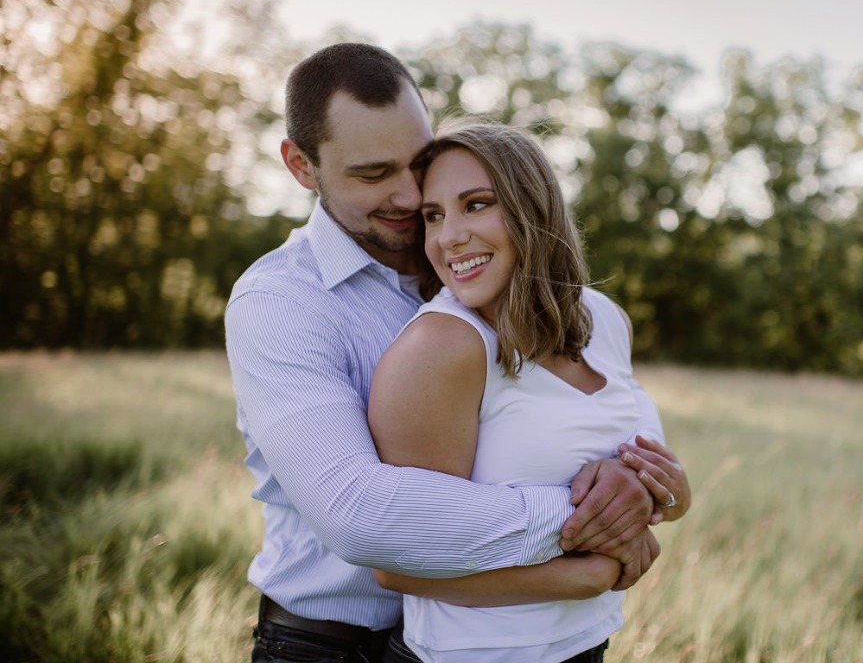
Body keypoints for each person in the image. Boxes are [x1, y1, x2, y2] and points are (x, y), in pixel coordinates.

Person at [225, 43, 679, 663]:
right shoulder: (279, 303)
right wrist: (590, 521)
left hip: (497, 625)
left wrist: (639, 485)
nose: (412, 198)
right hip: (330, 644)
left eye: (418, 163)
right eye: (373, 174)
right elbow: (358, 516)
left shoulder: (469, 265)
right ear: (301, 166)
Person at [366, 121, 691, 663]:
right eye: (433, 215)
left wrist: (669, 495)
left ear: (532, 208)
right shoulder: (442, 346)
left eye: (475, 205)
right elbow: (395, 564)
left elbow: (643, 468)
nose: (448, 237)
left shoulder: (604, 319)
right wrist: (585, 576)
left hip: (588, 646)